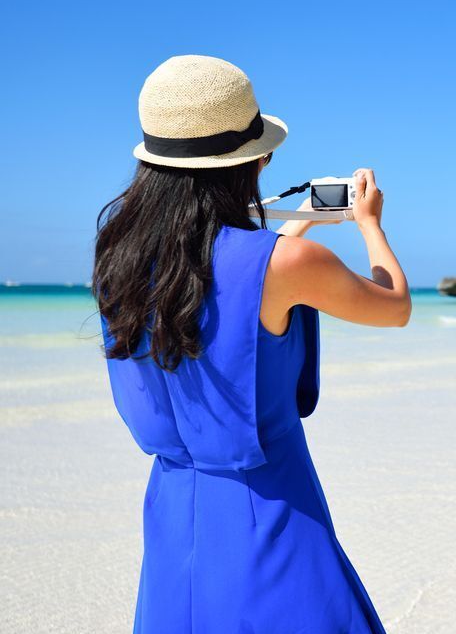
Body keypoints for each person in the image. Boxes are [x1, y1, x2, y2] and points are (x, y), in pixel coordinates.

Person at [91, 54, 409, 633]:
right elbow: (394, 307)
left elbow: (217, 281)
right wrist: (370, 225)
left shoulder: (119, 258)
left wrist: (297, 223)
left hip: (173, 515)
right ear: (251, 162)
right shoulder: (289, 263)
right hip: (271, 507)